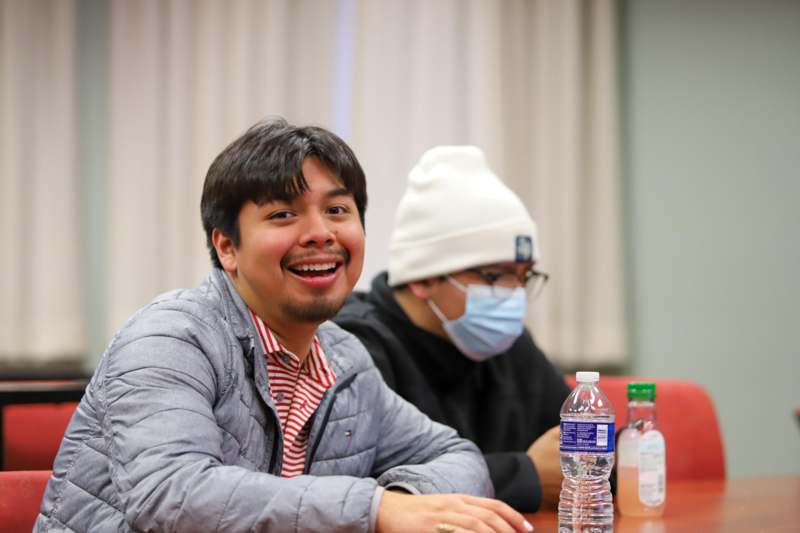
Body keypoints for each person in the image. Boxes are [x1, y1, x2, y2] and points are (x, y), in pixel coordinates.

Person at [35, 121, 534, 533]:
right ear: (227, 247)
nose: (320, 233)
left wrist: (405, 500)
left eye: (338, 210)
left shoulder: (343, 359)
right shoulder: (170, 338)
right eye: (283, 214)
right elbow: (173, 495)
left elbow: (455, 455)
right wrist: (376, 511)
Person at [333, 145, 571, 513]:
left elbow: (588, 449)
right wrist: (524, 475)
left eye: (524, 276)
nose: (515, 295)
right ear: (422, 279)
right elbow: (366, 492)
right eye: (497, 276)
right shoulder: (353, 344)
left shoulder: (510, 345)